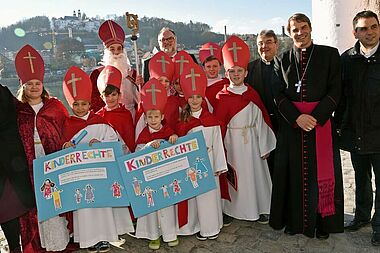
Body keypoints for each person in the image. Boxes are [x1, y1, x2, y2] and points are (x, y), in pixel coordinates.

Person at [269, 13, 344, 239]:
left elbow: (335, 90)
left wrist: (316, 116)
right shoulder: (281, 59)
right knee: (293, 174)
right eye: (295, 29)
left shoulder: (329, 55)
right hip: (292, 127)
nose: (299, 32)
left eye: (303, 27)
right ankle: (294, 222)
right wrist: (296, 118)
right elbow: (278, 94)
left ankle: (323, 223)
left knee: (320, 175)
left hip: (320, 125)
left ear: (310, 28)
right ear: (289, 32)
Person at [14, 44, 72, 252]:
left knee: (54, 198)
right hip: (28, 163)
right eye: (30, 84)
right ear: (23, 86)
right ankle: (37, 242)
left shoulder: (55, 106)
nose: (34, 87)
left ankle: (57, 241)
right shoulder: (17, 110)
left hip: (52, 159)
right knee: (34, 203)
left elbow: (67, 129)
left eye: (37, 83)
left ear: (42, 84)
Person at [215, 35, 276, 225]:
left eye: (239, 71)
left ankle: (262, 208)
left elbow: (261, 121)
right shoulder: (221, 97)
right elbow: (218, 126)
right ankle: (233, 210)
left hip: (252, 144)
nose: (236, 75)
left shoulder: (252, 94)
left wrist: (265, 146)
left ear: (246, 72)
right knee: (236, 177)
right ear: (227, 74)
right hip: (232, 144)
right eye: (232, 71)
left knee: (256, 176)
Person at [62, 66, 123, 252]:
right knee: (84, 208)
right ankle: (88, 239)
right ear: (71, 105)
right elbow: (62, 149)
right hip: (80, 176)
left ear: (90, 104)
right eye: (76, 105)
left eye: (83, 104)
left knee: (101, 204)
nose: (80, 108)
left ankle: (104, 237)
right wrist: (65, 147)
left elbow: (115, 142)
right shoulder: (68, 124)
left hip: (99, 173)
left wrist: (101, 142)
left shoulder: (100, 121)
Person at [335, 10, 380, 246]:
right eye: (363, 28)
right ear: (355, 32)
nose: (369, 32)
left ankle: (379, 226)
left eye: (373, 27)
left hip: (378, 133)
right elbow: (339, 97)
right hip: (355, 132)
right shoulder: (346, 59)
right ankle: (361, 217)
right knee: (361, 178)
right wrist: (338, 126)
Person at [176, 62, 228, 240]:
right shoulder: (183, 121)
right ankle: (196, 226)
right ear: (187, 99)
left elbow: (218, 143)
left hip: (211, 164)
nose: (195, 100)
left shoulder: (210, 119)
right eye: (192, 98)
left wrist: (219, 165)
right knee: (195, 198)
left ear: (202, 97)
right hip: (192, 168)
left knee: (209, 198)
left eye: (198, 97)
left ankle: (212, 228)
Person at [134, 78, 179, 250]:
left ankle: (170, 234)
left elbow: (175, 148)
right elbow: (136, 155)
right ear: (145, 118)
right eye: (150, 117)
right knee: (151, 207)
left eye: (156, 116)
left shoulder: (168, 131)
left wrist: (173, 139)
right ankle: (153, 235)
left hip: (165, 176)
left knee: (167, 205)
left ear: (162, 116)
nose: (153, 120)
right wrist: (146, 147)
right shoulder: (144, 135)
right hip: (149, 178)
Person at [95, 65, 136, 237]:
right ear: (101, 96)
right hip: (107, 161)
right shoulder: (97, 116)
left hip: (124, 156)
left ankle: (131, 219)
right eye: (107, 94)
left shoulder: (125, 114)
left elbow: (129, 137)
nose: (110, 98)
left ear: (120, 95)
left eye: (114, 94)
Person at [0, 84, 35, 253]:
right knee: (8, 207)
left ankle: (15, 247)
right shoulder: (4, 92)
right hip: (10, 159)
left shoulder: (3, 92)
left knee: (8, 207)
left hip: (8, 161)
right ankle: (15, 247)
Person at [245, 29, 280, 178]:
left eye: (268, 42)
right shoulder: (249, 69)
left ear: (276, 44)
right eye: (260, 43)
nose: (264, 46)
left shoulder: (285, 64)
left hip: (282, 125)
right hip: (258, 127)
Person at [91, 20, 143, 117]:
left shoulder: (133, 74)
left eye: (119, 48)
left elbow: (141, 102)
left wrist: (139, 87)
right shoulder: (97, 74)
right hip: (108, 118)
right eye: (112, 49)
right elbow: (93, 104)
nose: (116, 53)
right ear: (106, 51)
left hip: (131, 117)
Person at [199, 42, 229, 113]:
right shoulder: (199, 85)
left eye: (215, 66)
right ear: (204, 68)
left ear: (220, 67)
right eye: (208, 66)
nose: (212, 69)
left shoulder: (226, 84)